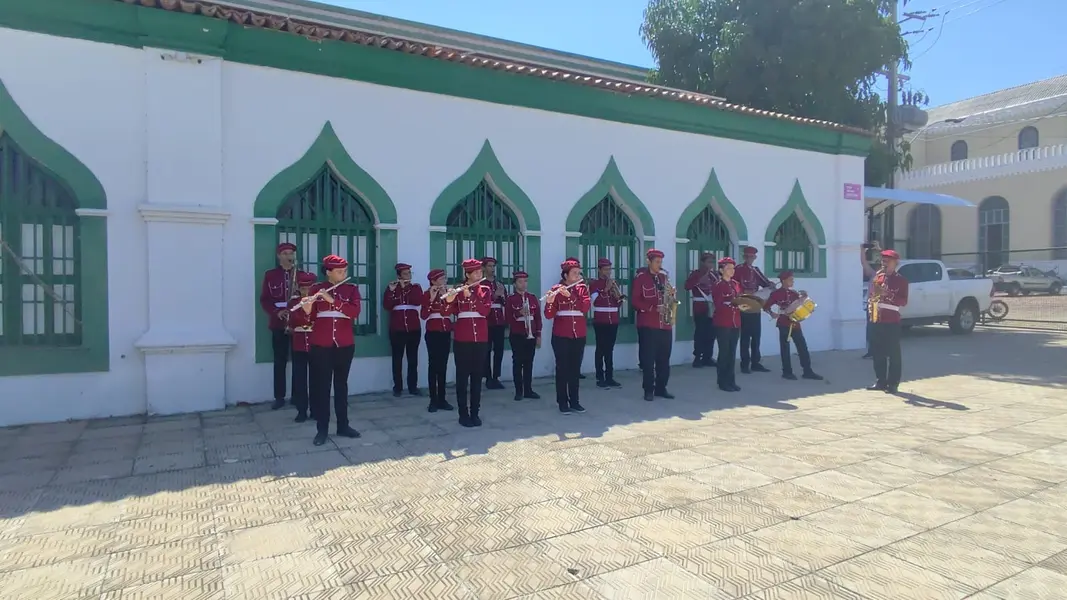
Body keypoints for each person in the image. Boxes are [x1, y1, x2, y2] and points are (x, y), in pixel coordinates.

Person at [300, 254, 362, 446]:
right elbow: (308, 322)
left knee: (341, 386)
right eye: (339, 271)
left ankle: (343, 425)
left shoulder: (351, 289)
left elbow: (354, 312)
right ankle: (322, 430)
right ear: (328, 272)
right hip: (321, 344)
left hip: (344, 344)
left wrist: (333, 300)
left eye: (345, 271)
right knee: (322, 388)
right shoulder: (316, 289)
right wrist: (308, 309)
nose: (343, 274)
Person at [259, 242, 312, 410]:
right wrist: (277, 312)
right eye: (286, 253)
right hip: (279, 322)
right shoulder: (271, 275)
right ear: (279, 256)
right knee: (279, 360)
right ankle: (279, 396)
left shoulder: (301, 275)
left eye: (291, 253)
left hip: (297, 322)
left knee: (299, 360)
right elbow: (265, 300)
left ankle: (298, 396)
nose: (289, 256)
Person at [447, 259, 492, 427]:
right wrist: (449, 299)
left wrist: (471, 296)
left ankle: (475, 412)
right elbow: (446, 312)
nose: (480, 274)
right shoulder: (458, 290)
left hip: (480, 338)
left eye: (480, 272)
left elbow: (485, 311)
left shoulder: (485, 290)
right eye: (476, 273)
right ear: (467, 275)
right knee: (462, 377)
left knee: (476, 377)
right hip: (462, 339)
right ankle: (463, 413)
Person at [544, 259, 591, 414]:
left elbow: (585, 307)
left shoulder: (582, 289)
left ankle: (575, 401)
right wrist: (550, 301)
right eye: (574, 273)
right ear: (565, 275)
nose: (578, 276)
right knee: (562, 369)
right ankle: (562, 402)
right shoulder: (556, 289)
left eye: (579, 273)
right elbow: (549, 315)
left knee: (575, 369)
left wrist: (570, 296)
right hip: (561, 335)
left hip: (579, 334)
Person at [631, 249, 674, 401]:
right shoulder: (641, 278)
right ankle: (648, 390)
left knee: (664, 358)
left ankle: (661, 388)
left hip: (665, 324)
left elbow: (668, 297)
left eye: (661, 262)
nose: (659, 265)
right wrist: (653, 308)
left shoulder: (663, 277)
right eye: (657, 262)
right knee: (648, 359)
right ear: (648, 261)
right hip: (648, 324)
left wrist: (671, 297)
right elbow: (635, 301)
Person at [764, 271, 823, 381]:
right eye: (790, 279)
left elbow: (802, 305)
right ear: (784, 281)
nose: (793, 281)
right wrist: (772, 314)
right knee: (785, 348)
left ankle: (807, 371)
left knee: (802, 347)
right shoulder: (776, 294)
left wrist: (804, 298)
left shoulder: (794, 294)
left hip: (795, 322)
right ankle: (787, 372)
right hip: (783, 323)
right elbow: (766, 306)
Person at [868, 249, 909, 393]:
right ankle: (880, 381)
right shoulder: (879, 277)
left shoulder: (901, 280)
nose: (883, 263)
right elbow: (873, 294)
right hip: (877, 318)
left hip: (891, 320)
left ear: (895, 263)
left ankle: (893, 383)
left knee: (893, 353)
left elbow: (903, 301)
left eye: (887, 261)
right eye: (882, 260)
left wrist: (888, 294)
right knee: (877, 352)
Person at [384, 262, 423, 397]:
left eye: (409, 273)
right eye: (405, 274)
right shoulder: (392, 288)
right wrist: (393, 291)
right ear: (399, 275)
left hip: (413, 327)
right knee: (397, 359)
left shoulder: (415, 287)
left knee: (413, 359)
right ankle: (398, 387)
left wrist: (404, 289)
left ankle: (413, 386)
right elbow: (387, 305)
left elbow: (417, 301)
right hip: (397, 328)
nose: (408, 276)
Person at [734, 246, 774, 374]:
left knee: (756, 336)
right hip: (744, 305)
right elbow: (734, 285)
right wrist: (743, 291)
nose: (749, 259)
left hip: (755, 305)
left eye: (751, 257)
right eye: (747, 256)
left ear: (755, 257)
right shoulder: (738, 269)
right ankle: (744, 364)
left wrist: (771, 285)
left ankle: (756, 362)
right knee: (745, 336)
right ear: (744, 257)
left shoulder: (755, 270)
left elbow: (765, 282)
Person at [421, 269, 455, 413]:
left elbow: (448, 312)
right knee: (433, 366)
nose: (444, 282)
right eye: (441, 279)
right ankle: (433, 400)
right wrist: (431, 298)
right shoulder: (427, 294)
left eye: (445, 279)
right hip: (433, 332)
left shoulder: (449, 294)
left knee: (443, 366)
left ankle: (442, 399)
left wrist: (445, 297)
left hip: (445, 332)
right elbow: (423, 315)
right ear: (433, 281)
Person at [505, 271, 542, 401]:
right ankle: (518, 391)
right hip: (517, 334)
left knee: (529, 363)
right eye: (520, 281)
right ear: (515, 284)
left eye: (525, 281)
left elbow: (537, 318)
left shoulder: (532, 297)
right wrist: (519, 313)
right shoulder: (510, 299)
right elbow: (508, 317)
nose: (524, 284)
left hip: (530, 334)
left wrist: (538, 335)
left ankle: (528, 390)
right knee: (518, 362)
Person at [286, 271, 318, 422]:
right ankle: (301, 410)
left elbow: (318, 318)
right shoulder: (293, 302)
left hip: (315, 342)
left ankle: (316, 409)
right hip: (298, 343)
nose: (306, 291)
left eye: (309, 288)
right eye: (303, 288)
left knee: (316, 379)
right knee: (300, 379)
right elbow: (293, 320)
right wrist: (304, 312)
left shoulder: (318, 301)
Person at [588, 258, 623, 388]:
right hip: (601, 320)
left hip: (613, 319)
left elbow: (619, 302)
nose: (608, 272)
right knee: (601, 349)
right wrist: (606, 289)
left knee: (610, 349)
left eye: (609, 269)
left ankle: (609, 377)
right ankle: (599, 377)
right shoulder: (595, 284)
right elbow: (594, 301)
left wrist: (617, 296)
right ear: (599, 270)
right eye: (605, 269)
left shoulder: (614, 283)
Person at [711, 257, 743, 392]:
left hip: (735, 322)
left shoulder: (735, 284)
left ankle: (731, 381)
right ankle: (722, 382)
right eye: (728, 268)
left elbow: (740, 298)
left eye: (733, 268)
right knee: (724, 353)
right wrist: (731, 304)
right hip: (723, 322)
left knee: (732, 352)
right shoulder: (718, 285)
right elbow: (718, 304)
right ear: (721, 270)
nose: (732, 270)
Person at [684, 252, 720, 368]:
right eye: (709, 262)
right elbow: (687, 286)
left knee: (711, 332)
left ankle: (707, 357)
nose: (710, 264)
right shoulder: (696, 274)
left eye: (712, 262)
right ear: (703, 262)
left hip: (712, 306)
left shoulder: (714, 275)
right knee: (700, 332)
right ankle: (697, 357)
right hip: (700, 306)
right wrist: (699, 279)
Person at [481, 256, 508, 390]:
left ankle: (496, 376)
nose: (492, 269)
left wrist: (502, 296)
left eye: (493, 266)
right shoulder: (481, 284)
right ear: (484, 268)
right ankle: (487, 377)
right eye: (489, 266)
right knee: (486, 350)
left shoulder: (499, 283)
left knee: (499, 350)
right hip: (486, 320)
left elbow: (505, 302)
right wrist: (495, 296)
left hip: (499, 321)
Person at [860, 242, 880, 359]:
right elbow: (864, 263)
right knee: (871, 330)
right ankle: (872, 350)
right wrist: (862, 250)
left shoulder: (886, 276)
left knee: (879, 330)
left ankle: (880, 351)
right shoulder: (873, 274)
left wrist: (878, 249)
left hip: (880, 306)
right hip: (871, 305)